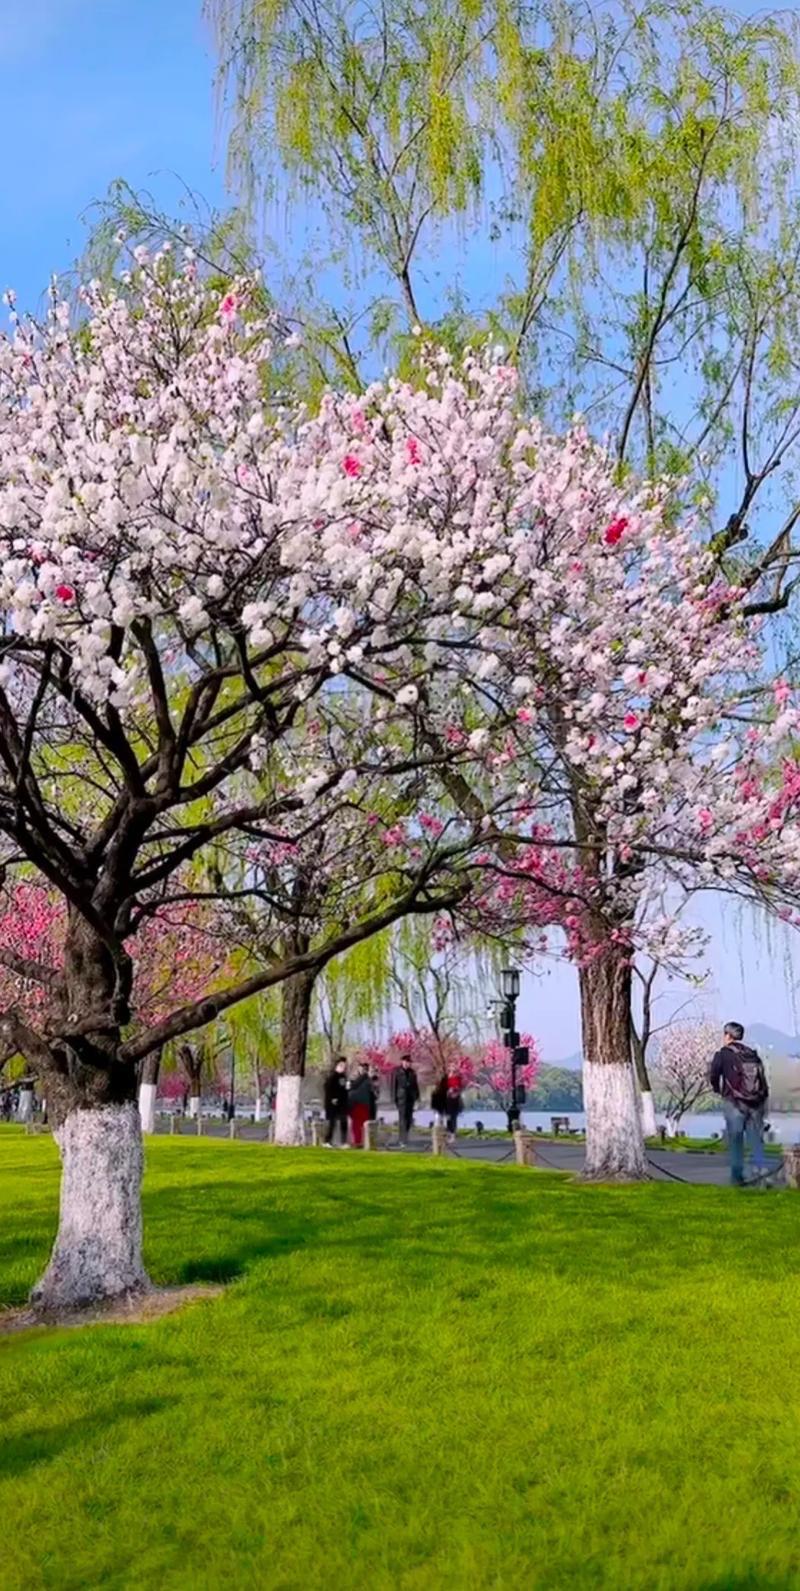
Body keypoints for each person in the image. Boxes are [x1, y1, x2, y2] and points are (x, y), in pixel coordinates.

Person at [709, 1022, 770, 1187]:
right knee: (756, 1139)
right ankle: (761, 1173)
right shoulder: (751, 1054)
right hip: (755, 1103)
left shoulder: (723, 1054)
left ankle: (737, 1177)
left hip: (734, 1102)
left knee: (736, 1140)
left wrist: (717, 1088)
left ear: (728, 1035)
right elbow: (762, 1079)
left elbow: (714, 1074)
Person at [392, 1054, 420, 1146]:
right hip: (401, 1097)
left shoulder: (412, 1072)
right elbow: (393, 1086)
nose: (408, 1064)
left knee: (408, 1119)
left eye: (409, 1062)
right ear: (402, 1062)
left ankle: (405, 1136)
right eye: (407, 1062)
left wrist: (417, 1098)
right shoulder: (396, 1071)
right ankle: (402, 1139)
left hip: (410, 1098)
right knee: (402, 1119)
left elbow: (416, 1086)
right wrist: (394, 1099)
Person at [323, 1057, 349, 1148]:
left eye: (344, 1066)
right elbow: (328, 1088)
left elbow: (344, 1090)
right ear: (337, 1066)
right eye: (341, 1065)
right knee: (332, 1123)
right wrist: (332, 1098)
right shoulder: (332, 1076)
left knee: (343, 1121)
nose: (343, 1068)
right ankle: (327, 1141)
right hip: (333, 1104)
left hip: (342, 1103)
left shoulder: (344, 1077)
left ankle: (344, 1142)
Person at [348, 1061, 375, 1147]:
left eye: (364, 1069)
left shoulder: (368, 1080)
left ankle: (361, 1141)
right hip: (355, 1103)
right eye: (361, 1068)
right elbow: (352, 1086)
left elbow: (374, 1093)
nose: (363, 1070)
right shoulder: (356, 1078)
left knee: (362, 1124)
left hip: (364, 1104)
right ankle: (357, 1141)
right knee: (356, 1124)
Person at [445, 1070, 463, 1140]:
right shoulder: (446, 1080)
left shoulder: (457, 1080)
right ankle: (449, 1132)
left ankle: (452, 1133)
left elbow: (459, 1089)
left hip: (454, 1101)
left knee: (453, 1118)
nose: (451, 1073)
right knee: (448, 1118)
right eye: (450, 1072)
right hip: (447, 1101)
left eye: (453, 1072)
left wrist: (454, 1090)